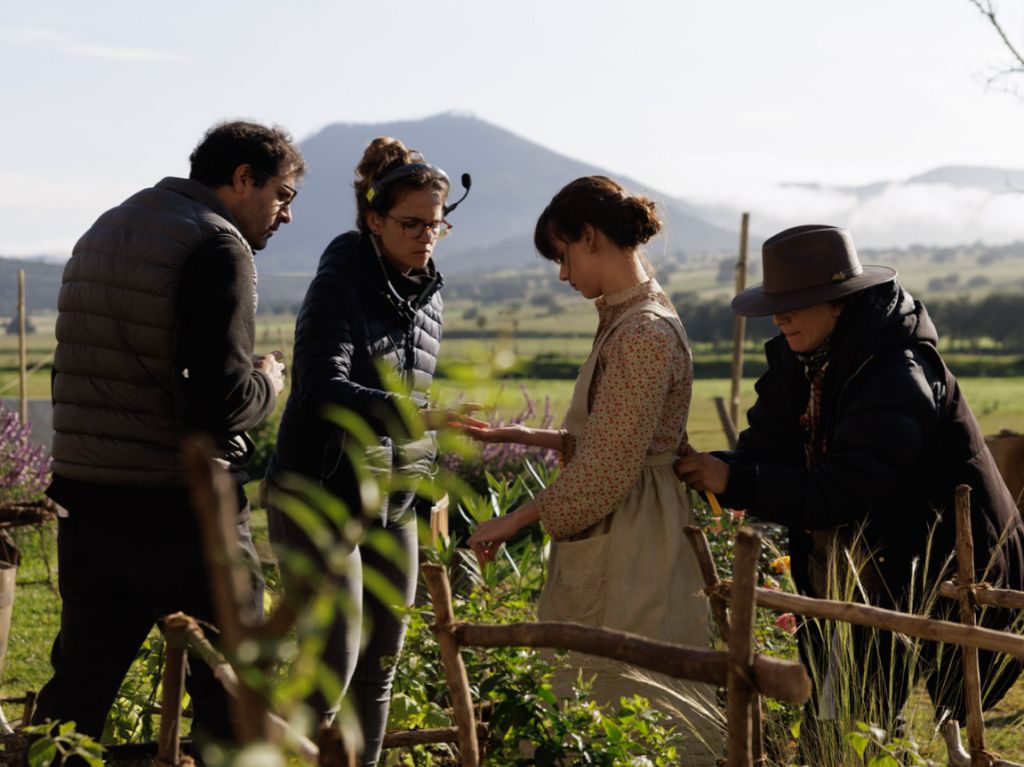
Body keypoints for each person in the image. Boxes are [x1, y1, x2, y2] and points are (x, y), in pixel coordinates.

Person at [676, 224, 1024, 756]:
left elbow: (844, 490)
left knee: (854, 728)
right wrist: (712, 467)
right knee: (832, 723)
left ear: (838, 304)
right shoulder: (802, 360)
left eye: (796, 303)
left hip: (923, 571)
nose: (781, 316)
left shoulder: (897, 373)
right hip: (847, 567)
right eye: (777, 304)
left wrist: (739, 480)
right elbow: (763, 448)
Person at [33, 121, 304, 748]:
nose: (285, 214)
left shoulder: (107, 228)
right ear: (242, 179)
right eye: (282, 195)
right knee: (231, 692)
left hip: (89, 499)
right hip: (181, 509)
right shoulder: (215, 245)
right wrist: (268, 380)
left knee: (78, 693)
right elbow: (220, 402)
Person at [465, 176, 722, 764]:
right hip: (627, 518)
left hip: (636, 533)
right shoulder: (627, 319)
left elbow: (609, 468)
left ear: (590, 237)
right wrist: (528, 433)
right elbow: (619, 433)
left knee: (631, 698)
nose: (563, 275)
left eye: (563, 256)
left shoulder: (644, 334)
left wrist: (517, 520)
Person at [265, 137, 473, 766]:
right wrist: (420, 416)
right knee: (332, 661)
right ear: (374, 219)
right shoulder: (339, 282)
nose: (427, 236)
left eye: (437, 224)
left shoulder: (426, 289)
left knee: (380, 664)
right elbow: (322, 388)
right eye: (412, 224)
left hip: (396, 499)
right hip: (321, 493)